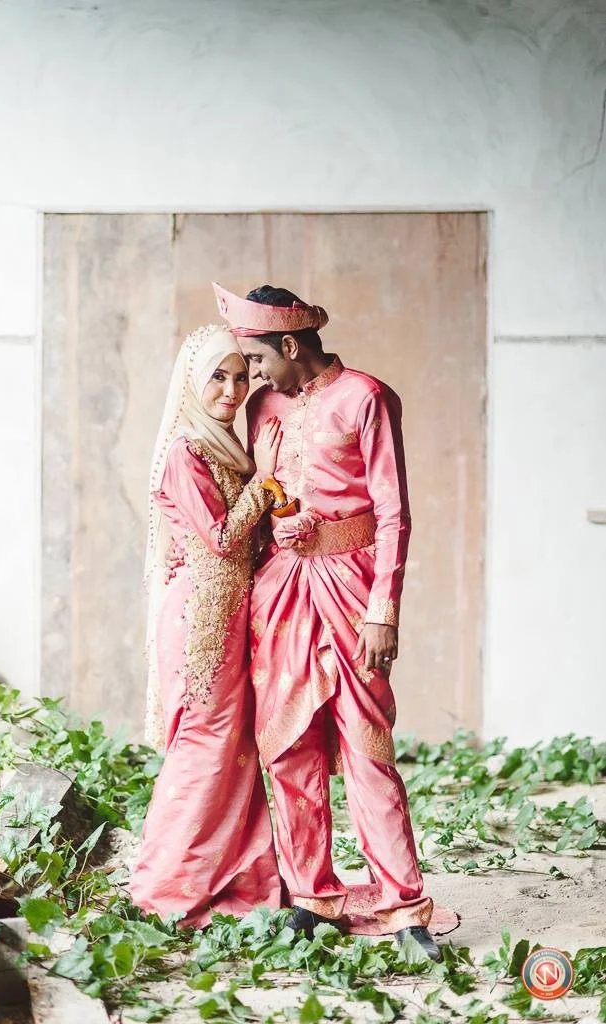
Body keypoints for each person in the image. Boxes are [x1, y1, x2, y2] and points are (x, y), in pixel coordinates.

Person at [211, 282, 442, 961]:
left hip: (352, 586)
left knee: (367, 744)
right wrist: (280, 522)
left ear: (290, 345)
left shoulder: (365, 397)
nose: (251, 378)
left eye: (257, 363)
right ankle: (312, 896)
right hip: (281, 590)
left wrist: (383, 609)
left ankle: (403, 906)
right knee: (289, 745)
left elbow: (394, 511)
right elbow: (261, 495)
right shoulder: (264, 409)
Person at [129, 324, 286, 927]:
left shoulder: (223, 444)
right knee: (203, 746)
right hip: (200, 621)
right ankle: (162, 889)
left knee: (234, 746)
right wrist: (265, 491)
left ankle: (236, 879)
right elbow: (220, 538)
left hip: (228, 614)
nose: (232, 389)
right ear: (192, 384)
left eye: (241, 375)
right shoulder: (186, 451)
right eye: (217, 377)